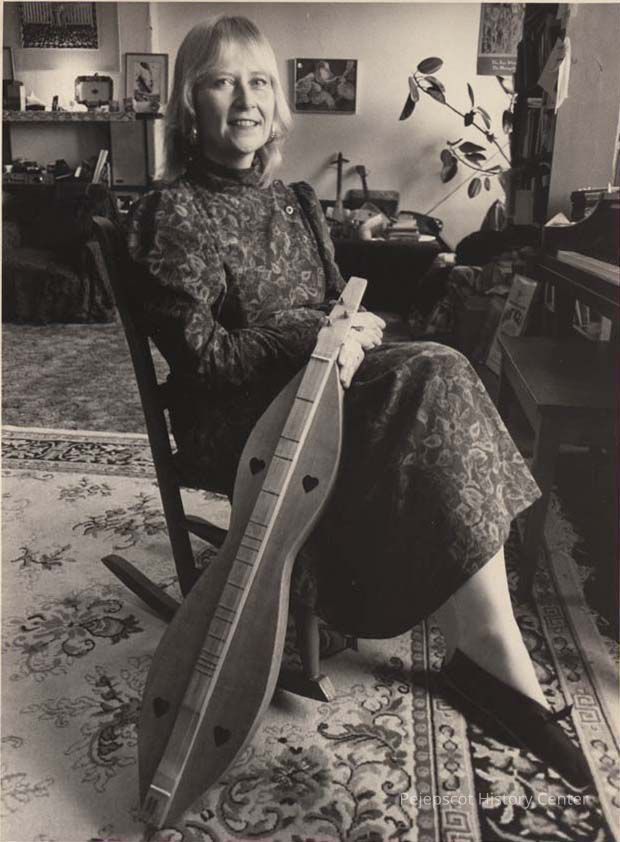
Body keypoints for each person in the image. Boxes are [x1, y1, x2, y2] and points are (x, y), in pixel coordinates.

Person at [127, 15, 591, 790]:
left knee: (436, 375)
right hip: (238, 422)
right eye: (220, 82)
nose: (245, 100)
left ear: (276, 101)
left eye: (258, 81)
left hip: (320, 392)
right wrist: (315, 333)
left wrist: (355, 326)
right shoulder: (170, 213)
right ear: (188, 104)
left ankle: (489, 650)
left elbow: (334, 304)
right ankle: (490, 658)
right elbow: (206, 360)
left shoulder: (296, 202)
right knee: (434, 375)